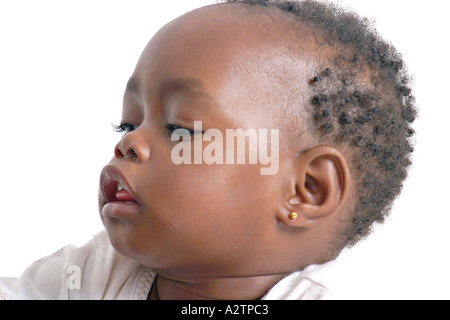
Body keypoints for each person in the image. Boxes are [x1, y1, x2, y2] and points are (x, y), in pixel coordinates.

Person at [0, 0, 416, 300]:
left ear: (307, 189)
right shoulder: (91, 275)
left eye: (180, 129)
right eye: (129, 122)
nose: (129, 142)